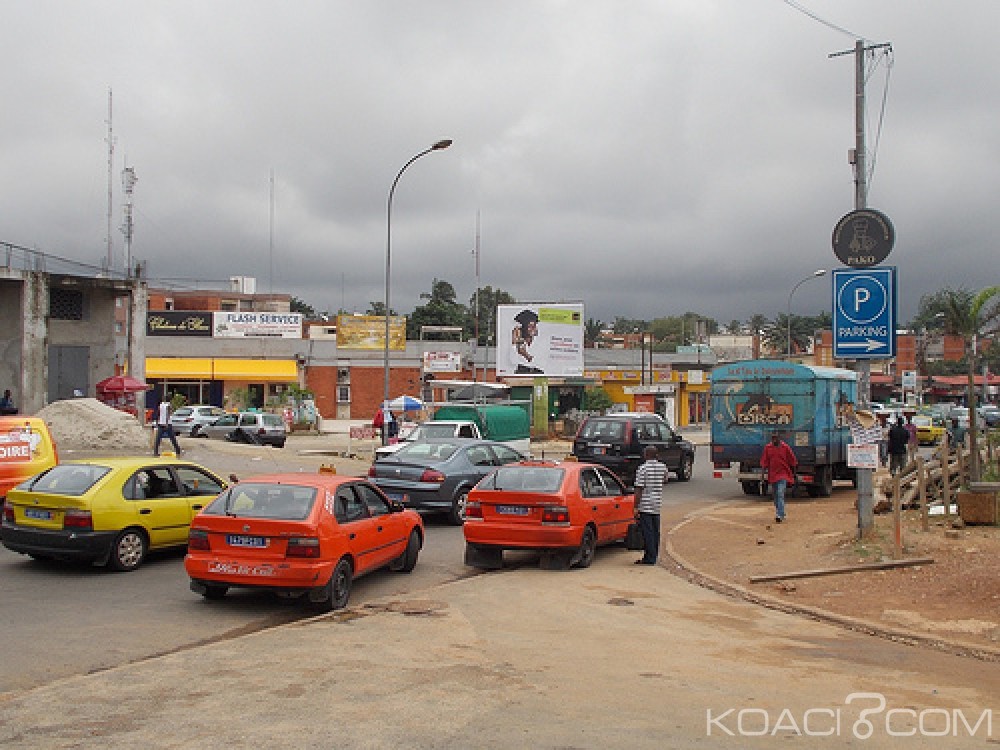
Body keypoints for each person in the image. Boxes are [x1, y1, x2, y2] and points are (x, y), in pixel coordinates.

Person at [633, 445, 667, 565]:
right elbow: (665, 480)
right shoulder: (663, 467)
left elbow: (639, 489)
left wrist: (636, 506)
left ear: (646, 455)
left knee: (647, 532)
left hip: (645, 504)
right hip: (657, 503)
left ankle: (649, 558)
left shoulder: (643, 469)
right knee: (655, 531)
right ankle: (654, 555)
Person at [759, 431, 797, 523]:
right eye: (772, 438)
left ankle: (779, 514)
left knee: (780, 493)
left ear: (779, 438)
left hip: (783, 474)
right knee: (775, 495)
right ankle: (780, 512)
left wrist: (794, 474)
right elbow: (764, 462)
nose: (774, 440)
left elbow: (793, 461)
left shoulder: (785, 447)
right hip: (773, 475)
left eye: (775, 438)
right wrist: (763, 476)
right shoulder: (768, 448)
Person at [511, 309, 543, 374]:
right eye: (530, 327)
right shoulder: (519, 339)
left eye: (534, 326)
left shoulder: (538, 341)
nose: (533, 329)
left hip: (538, 371)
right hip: (522, 371)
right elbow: (520, 350)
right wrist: (528, 356)